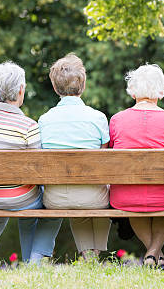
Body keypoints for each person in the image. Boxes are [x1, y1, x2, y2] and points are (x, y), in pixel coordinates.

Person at [0, 61, 62, 264]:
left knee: (29, 198)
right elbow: (38, 172)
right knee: (52, 204)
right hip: (19, 199)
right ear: (21, 90)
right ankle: (34, 262)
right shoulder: (28, 126)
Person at [109, 64, 164, 267]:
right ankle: (154, 253)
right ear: (161, 91)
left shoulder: (117, 120)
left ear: (132, 91)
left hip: (126, 197)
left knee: (135, 202)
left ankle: (153, 254)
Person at [38, 53, 111, 261]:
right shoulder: (98, 118)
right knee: (96, 189)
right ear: (83, 84)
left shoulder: (44, 120)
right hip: (94, 198)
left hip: (55, 199)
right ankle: (93, 253)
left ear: (55, 87)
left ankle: (88, 254)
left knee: (76, 189)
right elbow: (103, 160)